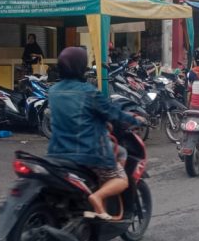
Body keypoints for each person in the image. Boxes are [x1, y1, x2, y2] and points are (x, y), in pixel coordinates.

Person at [46, 47, 143, 220]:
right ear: (81, 67)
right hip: (89, 152)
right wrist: (136, 119)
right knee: (121, 171)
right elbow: (112, 113)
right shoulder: (88, 92)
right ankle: (98, 196)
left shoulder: (53, 91)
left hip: (57, 152)